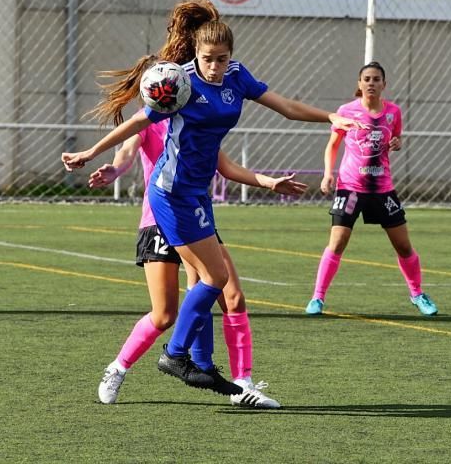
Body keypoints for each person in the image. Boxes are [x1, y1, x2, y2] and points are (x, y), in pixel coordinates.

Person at [62, 0, 362, 398]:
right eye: (208, 59)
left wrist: (329, 117)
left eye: (221, 58)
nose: (215, 66)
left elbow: (285, 107)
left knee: (211, 283)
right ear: (196, 54)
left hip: (197, 195)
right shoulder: (180, 82)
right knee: (214, 280)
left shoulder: (237, 77)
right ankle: (175, 355)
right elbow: (137, 122)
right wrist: (89, 153)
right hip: (170, 194)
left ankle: (208, 368)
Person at [90, 115, 306, 408]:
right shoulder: (149, 119)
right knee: (164, 315)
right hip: (158, 221)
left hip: (196, 220)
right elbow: (127, 152)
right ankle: (118, 368)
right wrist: (114, 170)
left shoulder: (199, 118)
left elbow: (226, 166)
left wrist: (269, 182)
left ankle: (242, 385)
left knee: (233, 297)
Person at [305, 61, 438, 317]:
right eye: (366, 79)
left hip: (382, 188)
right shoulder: (346, 111)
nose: (371, 83)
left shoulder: (393, 112)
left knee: (403, 246)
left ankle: (417, 294)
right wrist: (327, 175)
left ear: (383, 84)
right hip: (350, 187)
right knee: (337, 242)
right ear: (359, 84)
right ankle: (317, 298)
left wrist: (397, 143)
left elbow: (395, 139)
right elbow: (332, 145)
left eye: (376, 79)